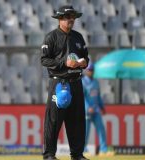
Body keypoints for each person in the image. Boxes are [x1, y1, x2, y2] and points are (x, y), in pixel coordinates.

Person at [41, 5, 90, 160]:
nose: (71, 20)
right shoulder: (51, 37)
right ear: (60, 19)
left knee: (77, 120)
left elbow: (86, 58)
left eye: (73, 17)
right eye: (68, 17)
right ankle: (49, 154)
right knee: (54, 121)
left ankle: (77, 155)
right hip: (59, 83)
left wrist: (83, 63)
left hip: (76, 82)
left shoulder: (78, 37)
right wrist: (64, 63)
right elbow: (44, 60)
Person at [82, 62, 114, 157]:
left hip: (96, 110)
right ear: (86, 71)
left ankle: (103, 150)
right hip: (87, 112)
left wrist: (102, 107)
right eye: (89, 70)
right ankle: (83, 150)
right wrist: (88, 108)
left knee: (101, 130)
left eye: (92, 70)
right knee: (85, 132)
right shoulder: (83, 82)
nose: (91, 71)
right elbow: (82, 97)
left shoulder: (96, 82)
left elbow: (98, 96)